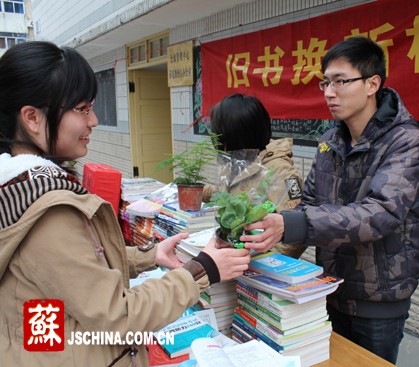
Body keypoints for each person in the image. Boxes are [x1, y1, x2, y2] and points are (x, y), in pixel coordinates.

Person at [0, 41, 250, 366]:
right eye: (81, 108)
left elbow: (68, 268)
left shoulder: (17, 185)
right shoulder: (47, 209)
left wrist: (148, 255)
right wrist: (203, 269)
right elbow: (118, 315)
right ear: (32, 118)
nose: (94, 120)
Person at [241, 36, 419, 363]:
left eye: (340, 81)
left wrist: (293, 223)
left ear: (373, 83)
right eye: (325, 82)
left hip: (379, 300)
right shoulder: (330, 141)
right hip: (329, 289)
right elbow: (310, 203)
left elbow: (378, 215)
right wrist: (274, 235)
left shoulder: (405, 142)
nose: (329, 92)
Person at [203, 93, 305, 258]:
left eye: (218, 133)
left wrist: (262, 261)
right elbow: (234, 196)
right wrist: (203, 192)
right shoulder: (238, 159)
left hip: (258, 263)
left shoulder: (280, 171)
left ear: (235, 134)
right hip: (235, 254)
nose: (214, 139)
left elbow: (296, 233)